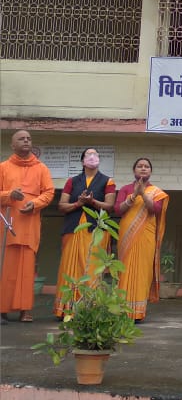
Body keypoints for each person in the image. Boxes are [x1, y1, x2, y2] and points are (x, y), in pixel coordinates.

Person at [53, 148, 117, 318]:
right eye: (88, 154)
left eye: (95, 154)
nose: (92, 157)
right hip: (73, 229)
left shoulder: (107, 181)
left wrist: (92, 201)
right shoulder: (72, 181)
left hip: (96, 231)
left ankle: (90, 310)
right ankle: (66, 309)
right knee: (69, 268)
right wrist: (78, 203)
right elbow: (61, 206)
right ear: (82, 161)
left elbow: (110, 207)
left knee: (91, 268)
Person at [0, 129, 55, 323]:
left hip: (29, 225)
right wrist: (8, 196)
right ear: (12, 145)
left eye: (29, 139)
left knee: (26, 270)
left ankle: (25, 310)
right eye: (21, 139)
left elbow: (49, 193)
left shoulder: (41, 168)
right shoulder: (3, 167)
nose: (26, 141)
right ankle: (2, 309)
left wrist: (35, 204)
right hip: (7, 226)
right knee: (5, 270)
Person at [114, 158, 169, 322]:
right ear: (134, 170)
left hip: (146, 236)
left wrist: (143, 194)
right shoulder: (125, 189)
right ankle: (121, 310)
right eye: (140, 166)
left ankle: (137, 312)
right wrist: (133, 196)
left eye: (146, 167)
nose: (143, 169)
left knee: (143, 272)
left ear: (150, 171)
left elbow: (156, 210)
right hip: (127, 235)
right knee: (124, 271)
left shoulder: (156, 191)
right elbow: (118, 209)